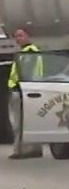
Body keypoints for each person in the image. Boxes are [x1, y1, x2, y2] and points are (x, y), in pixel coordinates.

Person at [8, 28, 44, 160]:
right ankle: (33, 149)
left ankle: (20, 150)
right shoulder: (28, 52)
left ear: (28, 36)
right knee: (27, 121)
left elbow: (26, 72)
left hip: (22, 90)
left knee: (19, 123)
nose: (18, 39)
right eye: (16, 36)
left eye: (20, 35)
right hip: (26, 89)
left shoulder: (29, 53)